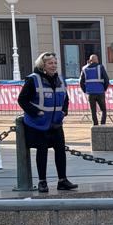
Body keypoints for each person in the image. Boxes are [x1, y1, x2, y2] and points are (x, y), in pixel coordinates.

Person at [18, 50, 78, 193]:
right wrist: (36, 112)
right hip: (38, 124)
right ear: (42, 65)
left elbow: (66, 99)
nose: (53, 65)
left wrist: (64, 111)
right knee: (42, 152)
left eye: (55, 63)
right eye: (50, 63)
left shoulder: (60, 79)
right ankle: (42, 182)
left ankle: (62, 180)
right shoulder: (33, 79)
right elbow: (22, 100)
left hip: (56, 123)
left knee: (60, 152)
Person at [80, 53, 110, 126]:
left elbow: (81, 82)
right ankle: (103, 124)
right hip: (100, 92)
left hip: (90, 93)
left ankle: (95, 124)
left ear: (90, 60)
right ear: (97, 60)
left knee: (93, 110)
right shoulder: (100, 67)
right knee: (103, 109)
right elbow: (106, 79)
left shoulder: (84, 68)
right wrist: (104, 88)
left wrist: (85, 90)